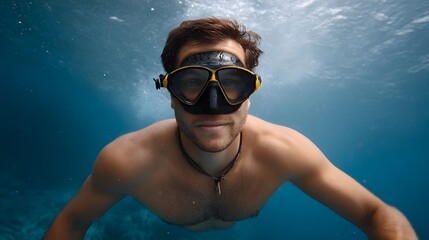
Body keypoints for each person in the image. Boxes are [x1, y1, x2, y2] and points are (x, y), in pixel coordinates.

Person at [44, 17, 418, 239]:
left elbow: (377, 214)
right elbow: (73, 220)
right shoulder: (127, 161)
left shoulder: (283, 150)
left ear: (251, 91)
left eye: (232, 83)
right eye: (191, 82)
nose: (212, 104)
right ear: (170, 93)